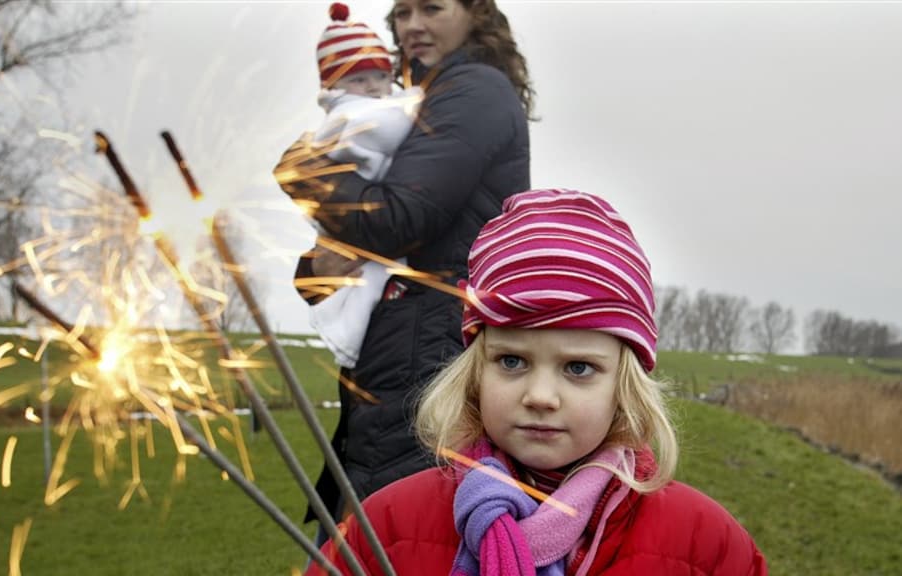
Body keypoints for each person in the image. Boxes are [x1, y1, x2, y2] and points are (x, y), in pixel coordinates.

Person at [305, 189, 769, 575]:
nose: (540, 397)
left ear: (624, 387)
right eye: (511, 361)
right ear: (475, 373)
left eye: (578, 368)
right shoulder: (388, 527)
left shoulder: (705, 544)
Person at [274, 0, 534, 540]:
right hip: (403, 338)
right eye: (403, 12)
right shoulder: (418, 101)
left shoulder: (473, 92)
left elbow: (399, 217)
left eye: (433, 8)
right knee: (370, 521)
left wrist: (305, 172)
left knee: (391, 529)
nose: (413, 25)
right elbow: (381, 240)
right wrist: (317, 269)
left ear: (475, 14)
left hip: (431, 342)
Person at [305, 2, 425, 370]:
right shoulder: (352, 114)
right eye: (358, 79)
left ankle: (349, 336)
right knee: (364, 289)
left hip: (373, 233)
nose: (373, 88)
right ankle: (348, 336)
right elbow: (387, 126)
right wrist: (423, 103)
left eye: (380, 76)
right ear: (334, 86)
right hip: (364, 235)